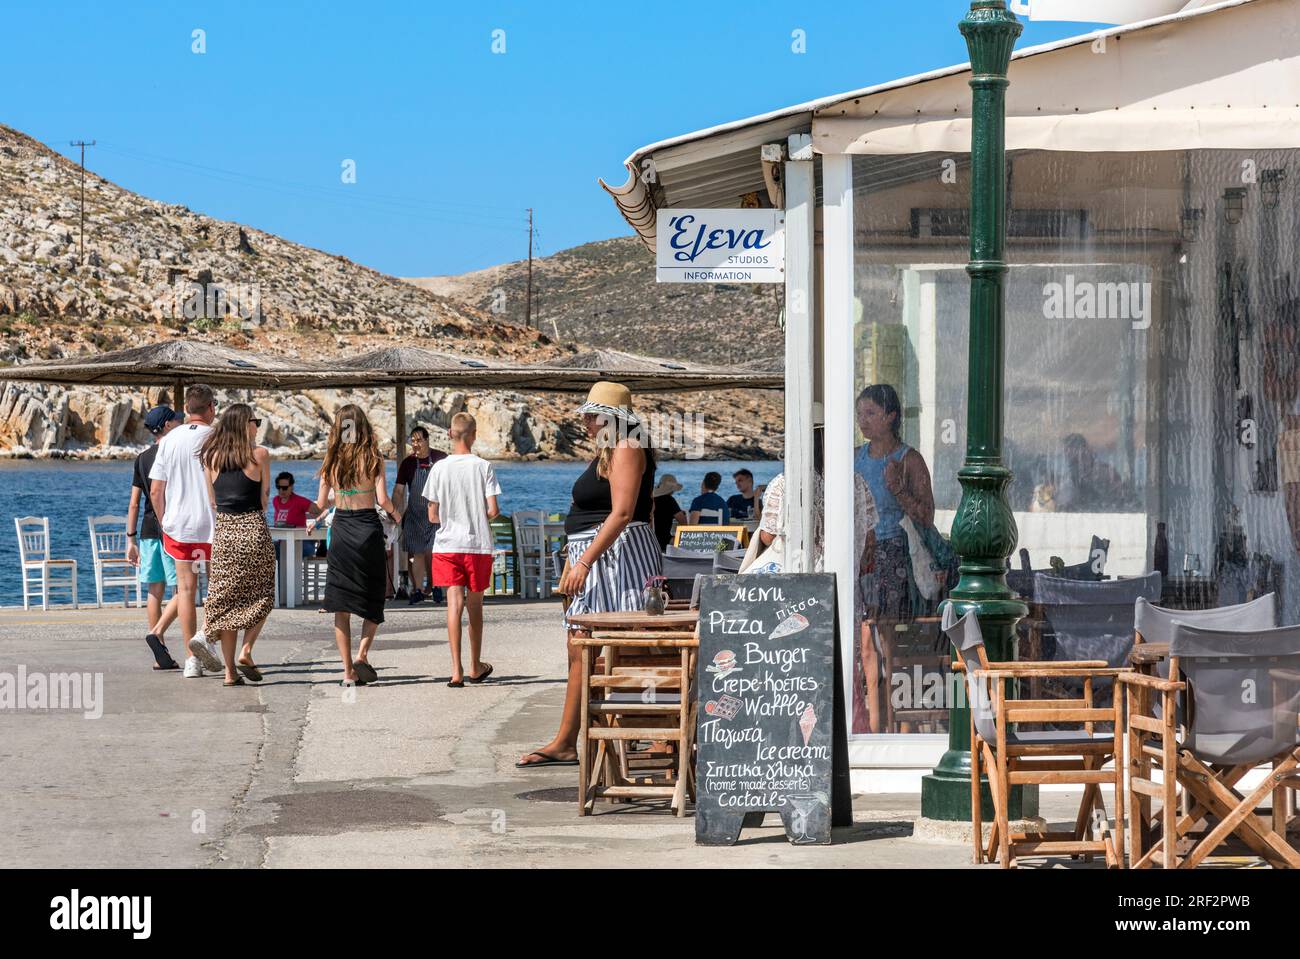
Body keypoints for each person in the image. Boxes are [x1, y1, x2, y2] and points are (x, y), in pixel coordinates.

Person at [518, 381, 661, 768]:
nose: (584, 420)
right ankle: (583, 736)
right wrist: (573, 558)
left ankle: (633, 731)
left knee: (615, 646)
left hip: (617, 557)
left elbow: (623, 513)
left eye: (591, 414)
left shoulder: (628, 446)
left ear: (610, 417)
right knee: (580, 645)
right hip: (596, 556)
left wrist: (585, 561)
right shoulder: (608, 450)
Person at [854, 383, 939, 733]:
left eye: (871, 414)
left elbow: (927, 516)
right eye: (860, 414)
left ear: (891, 417)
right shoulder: (855, 457)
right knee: (865, 647)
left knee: (892, 646)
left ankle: (897, 728)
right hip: (863, 555)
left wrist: (898, 489)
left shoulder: (908, 459)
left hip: (895, 557)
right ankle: (873, 729)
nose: (863, 421)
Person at [309, 404, 400, 687]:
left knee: (341, 606)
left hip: (342, 532)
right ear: (363, 427)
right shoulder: (374, 458)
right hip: (368, 530)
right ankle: (362, 654)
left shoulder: (332, 460)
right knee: (374, 597)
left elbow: (320, 504)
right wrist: (397, 516)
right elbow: (383, 500)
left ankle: (347, 672)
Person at [149, 384, 222, 679]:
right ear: (211, 408)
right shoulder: (218, 438)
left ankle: (192, 661)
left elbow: (156, 490)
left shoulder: (169, 440)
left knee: (186, 591)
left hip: (180, 528)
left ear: (187, 409)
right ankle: (208, 640)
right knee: (218, 591)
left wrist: (165, 520)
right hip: (214, 527)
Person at [424, 413, 501, 687]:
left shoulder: (438, 468)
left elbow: (432, 514)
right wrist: (476, 516)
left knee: (453, 604)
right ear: (474, 434)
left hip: (446, 545)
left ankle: (456, 671)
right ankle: (475, 666)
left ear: (449, 433)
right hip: (477, 546)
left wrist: (451, 517)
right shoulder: (484, 466)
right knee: (475, 606)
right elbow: (493, 510)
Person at [200, 404, 274, 686]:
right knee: (263, 592)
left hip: (225, 533)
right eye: (256, 421)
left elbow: (213, 501)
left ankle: (230, 673)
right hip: (253, 528)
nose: (258, 426)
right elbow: (265, 498)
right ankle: (247, 649)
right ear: (245, 425)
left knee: (227, 602)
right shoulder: (260, 455)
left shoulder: (211, 458)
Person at [127, 404, 182, 669]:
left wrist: (130, 538)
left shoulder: (142, 458)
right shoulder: (174, 453)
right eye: (175, 420)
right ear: (167, 425)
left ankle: (160, 654)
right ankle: (157, 632)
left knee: (154, 590)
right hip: (171, 529)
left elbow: (134, 503)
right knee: (184, 589)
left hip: (148, 530)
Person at [393, 426, 446, 605]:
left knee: (433, 551)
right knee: (416, 554)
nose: (416, 444)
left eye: (419, 440)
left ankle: (435, 586)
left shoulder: (441, 459)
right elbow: (399, 490)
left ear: (427, 440)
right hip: (414, 515)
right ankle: (418, 590)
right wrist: (393, 510)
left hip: (437, 514)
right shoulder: (408, 463)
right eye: (413, 441)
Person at [270, 471, 319, 562]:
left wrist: (315, 526)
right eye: (278, 487)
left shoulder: (300, 501)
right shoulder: (276, 501)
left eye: (284, 488)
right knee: (265, 550)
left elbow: (320, 510)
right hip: (283, 542)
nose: (281, 490)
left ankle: (286, 576)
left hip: (303, 543)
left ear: (291, 487)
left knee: (284, 551)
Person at [650, 473, 686, 551]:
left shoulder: (651, 500)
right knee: (686, 540)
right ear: (671, 490)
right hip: (665, 541)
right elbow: (683, 522)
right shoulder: (669, 500)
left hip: (650, 540)